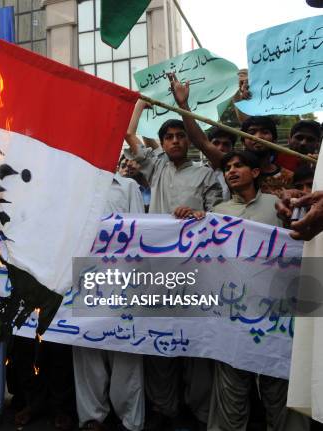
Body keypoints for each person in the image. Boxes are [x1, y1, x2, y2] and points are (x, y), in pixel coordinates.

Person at [177, 150, 310, 431]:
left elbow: (302, 245)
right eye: (227, 168)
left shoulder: (280, 206)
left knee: (279, 391)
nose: (232, 171)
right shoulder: (218, 214)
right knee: (232, 391)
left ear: (256, 172)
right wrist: (194, 220)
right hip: (234, 314)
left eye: (239, 166)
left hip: (276, 314)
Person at [124, 99, 222, 429]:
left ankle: (197, 411)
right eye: (169, 137)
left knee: (194, 342)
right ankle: (164, 408)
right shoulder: (156, 167)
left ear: (188, 141)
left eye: (181, 135)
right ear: (163, 144)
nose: (176, 140)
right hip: (156, 270)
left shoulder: (206, 173)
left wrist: (199, 215)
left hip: (196, 270)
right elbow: (130, 133)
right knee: (158, 338)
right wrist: (138, 103)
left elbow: (219, 218)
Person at [72, 170, 146, 431]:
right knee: (86, 351)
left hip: (121, 280)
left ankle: (130, 420)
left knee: (125, 350)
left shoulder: (127, 187)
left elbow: (140, 232)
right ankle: (92, 418)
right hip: (84, 280)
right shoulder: (75, 185)